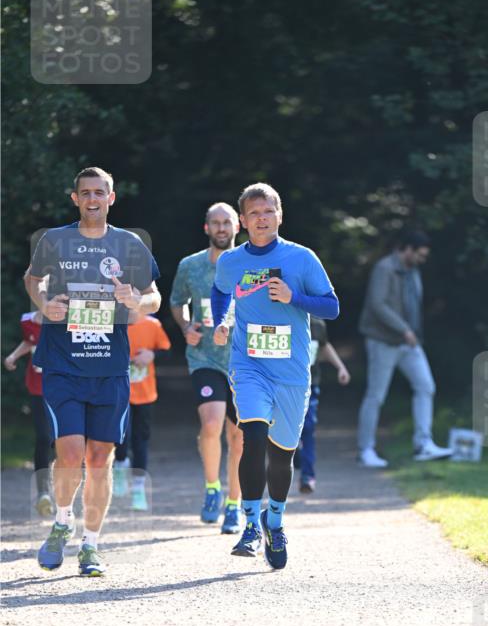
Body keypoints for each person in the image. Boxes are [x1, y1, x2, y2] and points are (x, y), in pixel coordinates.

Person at [24, 166, 161, 576]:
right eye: (85, 193)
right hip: (63, 365)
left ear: (111, 198)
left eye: (100, 192)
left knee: (100, 460)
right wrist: (45, 302)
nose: (93, 199)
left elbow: (154, 298)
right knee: (69, 454)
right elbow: (32, 279)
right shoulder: (55, 240)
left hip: (110, 368)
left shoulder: (129, 244)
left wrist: (136, 299)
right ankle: (63, 521)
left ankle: (91, 545)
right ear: (75, 198)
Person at [212, 182, 339, 569]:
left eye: (268, 211)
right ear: (243, 220)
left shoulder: (301, 259)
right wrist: (221, 320)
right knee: (251, 434)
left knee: (281, 454)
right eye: (254, 213)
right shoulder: (231, 261)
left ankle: (275, 521)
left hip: (292, 372)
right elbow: (220, 292)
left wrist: (293, 297)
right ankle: (250, 526)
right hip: (249, 365)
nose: (262, 219)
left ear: (279, 216)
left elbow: (331, 307)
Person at [170, 203, 243, 532]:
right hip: (205, 358)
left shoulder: (251, 264)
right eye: (215, 223)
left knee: (238, 436)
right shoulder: (190, 265)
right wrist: (187, 328)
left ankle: (234, 504)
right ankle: (213, 488)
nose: (221, 228)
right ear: (207, 229)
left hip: (244, 361)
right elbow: (176, 302)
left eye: (226, 222)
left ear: (237, 226)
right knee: (212, 423)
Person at [357, 229, 452, 466]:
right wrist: (404, 329)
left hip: (409, 342)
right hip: (384, 341)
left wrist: (412, 332)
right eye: (419, 254)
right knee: (376, 396)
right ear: (407, 249)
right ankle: (365, 450)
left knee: (426, 386)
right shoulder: (385, 269)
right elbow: (378, 304)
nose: (422, 259)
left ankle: (423, 445)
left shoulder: (413, 271)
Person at [113, 314, 171, 510]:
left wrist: (151, 355)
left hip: (145, 393)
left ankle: (138, 489)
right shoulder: (114, 322)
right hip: (118, 393)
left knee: (141, 439)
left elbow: (167, 351)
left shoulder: (152, 324)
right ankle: (120, 466)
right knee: (121, 436)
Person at [4, 310, 54, 516]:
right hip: (37, 388)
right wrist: (14, 355)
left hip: (65, 388)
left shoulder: (71, 317)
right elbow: (30, 341)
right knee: (43, 437)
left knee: (61, 440)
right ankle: (44, 493)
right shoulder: (27, 320)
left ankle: (68, 492)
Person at [297, 317, 350, 493]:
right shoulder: (283, 319)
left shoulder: (318, 325)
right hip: (286, 384)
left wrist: (340, 367)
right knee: (286, 427)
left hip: (311, 384)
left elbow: (325, 345)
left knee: (309, 427)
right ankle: (294, 451)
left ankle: (307, 476)